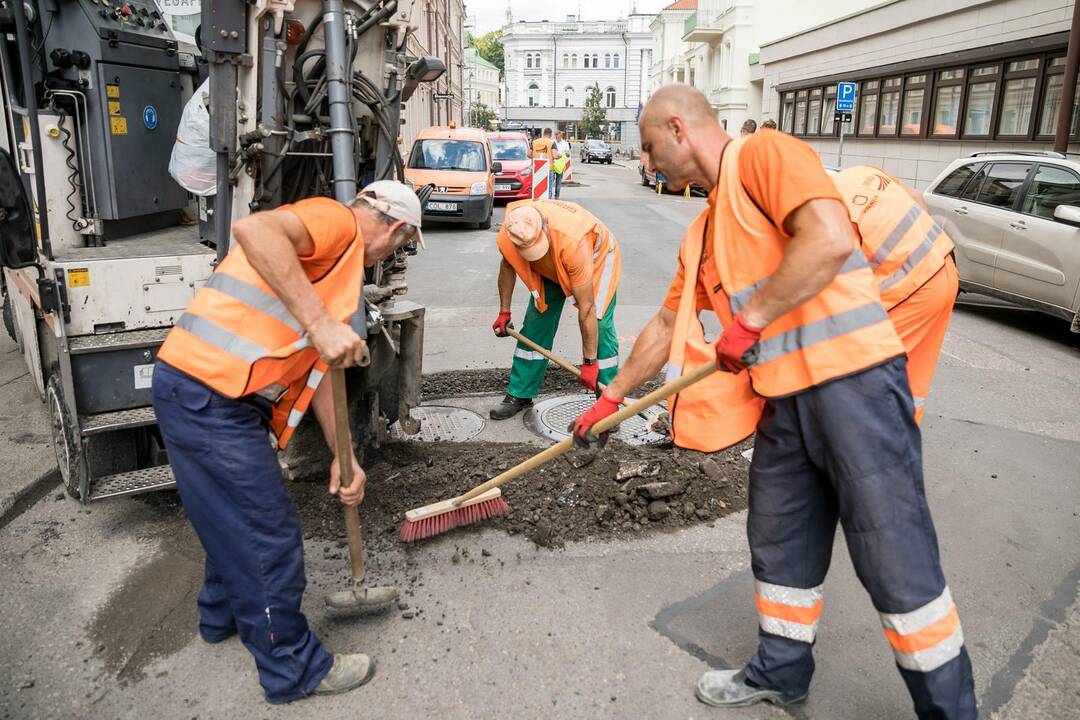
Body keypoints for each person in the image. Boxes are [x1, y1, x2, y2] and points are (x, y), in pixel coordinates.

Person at [570, 85, 976, 719]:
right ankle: (782, 670)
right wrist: (609, 398)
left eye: (649, 148)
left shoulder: (765, 153)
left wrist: (749, 320)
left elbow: (829, 236)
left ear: (680, 129)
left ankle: (951, 711)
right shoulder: (703, 232)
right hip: (784, 404)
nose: (646, 163)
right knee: (780, 538)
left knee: (891, 553)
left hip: (854, 387)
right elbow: (663, 323)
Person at [152, 182, 423, 704]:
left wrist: (344, 458)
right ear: (394, 229)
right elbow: (253, 229)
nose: (395, 254)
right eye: (402, 244)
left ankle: (221, 616)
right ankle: (293, 667)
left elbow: (321, 373)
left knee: (227, 516)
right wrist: (320, 322)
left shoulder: (339, 271)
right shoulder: (335, 221)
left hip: (199, 390)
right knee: (265, 532)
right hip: (211, 395)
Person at [834, 166, 958, 424]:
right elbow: (918, 198)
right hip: (943, 267)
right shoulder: (859, 173)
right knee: (908, 379)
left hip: (912, 291)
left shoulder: (821, 213)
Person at [490, 200, 621, 419]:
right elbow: (507, 266)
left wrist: (589, 362)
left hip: (596, 256)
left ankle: (608, 402)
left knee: (599, 324)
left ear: (546, 226)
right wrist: (505, 311)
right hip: (550, 264)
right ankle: (520, 393)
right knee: (536, 322)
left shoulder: (573, 242)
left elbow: (586, 308)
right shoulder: (513, 232)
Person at [532, 128, 556, 198]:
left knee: (537, 189)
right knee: (548, 189)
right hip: (548, 168)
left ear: (543, 133)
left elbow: (529, 154)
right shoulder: (551, 142)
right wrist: (559, 156)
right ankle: (547, 204)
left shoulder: (534, 142)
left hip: (536, 168)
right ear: (550, 134)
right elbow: (555, 155)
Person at [552, 131, 572, 199]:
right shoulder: (553, 142)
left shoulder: (565, 143)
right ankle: (549, 195)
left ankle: (557, 196)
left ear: (561, 136)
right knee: (551, 181)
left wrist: (567, 153)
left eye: (558, 137)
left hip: (560, 165)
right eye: (556, 137)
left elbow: (568, 153)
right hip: (553, 164)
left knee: (558, 182)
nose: (557, 138)